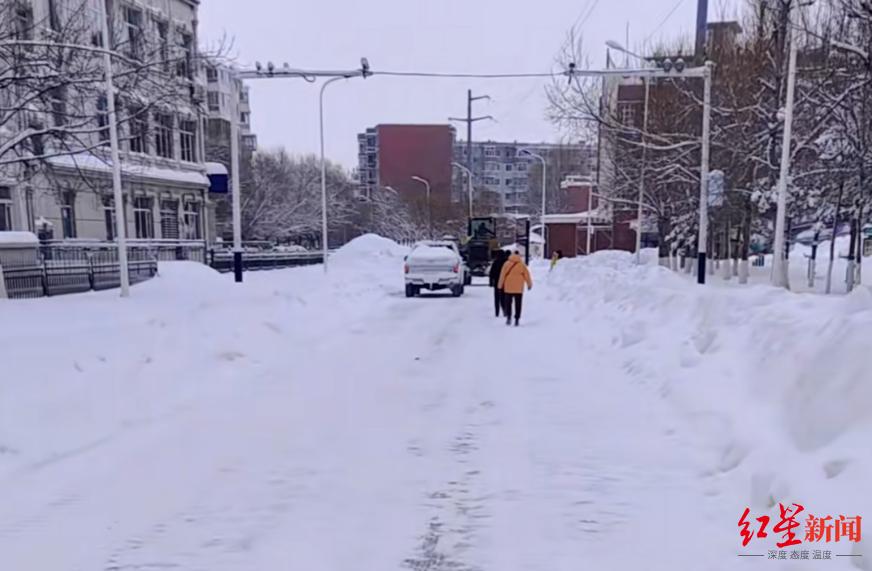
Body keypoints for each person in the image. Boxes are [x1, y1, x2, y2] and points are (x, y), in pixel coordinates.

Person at [498, 250, 533, 326]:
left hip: (508, 287)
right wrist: (529, 284)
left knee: (508, 303)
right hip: (518, 288)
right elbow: (527, 275)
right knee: (518, 304)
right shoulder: (522, 265)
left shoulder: (506, 264)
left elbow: (502, 275)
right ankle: (517, 319)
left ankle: (509, 317)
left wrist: (500, 285)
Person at [488, 250, 508, 318]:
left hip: (497, 282)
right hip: (505, 282)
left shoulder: (495, 262)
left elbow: (491, 273)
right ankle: (505, 309)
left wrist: (490, 282)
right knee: (504, 297)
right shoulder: (506, 262)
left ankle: (497, 312)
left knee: (496, 298)